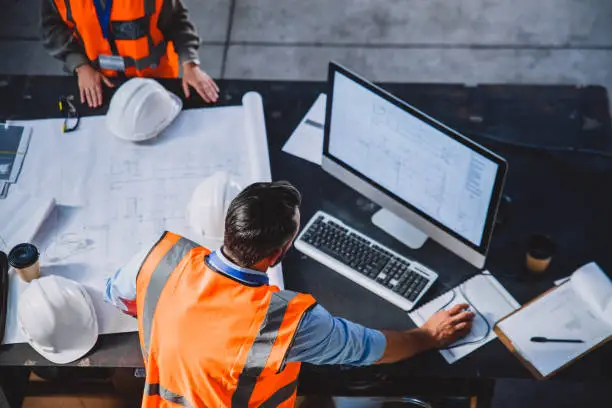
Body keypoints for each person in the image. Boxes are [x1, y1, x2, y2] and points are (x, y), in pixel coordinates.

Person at [105, 181, 474, 407]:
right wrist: (427, 336)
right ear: (277, 254)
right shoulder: (285, 324)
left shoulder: (158, 261)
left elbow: (116, 294)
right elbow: (369, 349)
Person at [41, 0, 219, 108]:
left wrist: (190, 64)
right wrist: (80, 65)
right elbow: (52, 27)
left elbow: (176, 21)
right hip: (101, 84)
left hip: (155, 81)